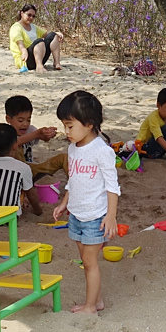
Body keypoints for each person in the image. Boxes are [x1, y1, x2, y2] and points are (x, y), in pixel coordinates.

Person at [51, 91, 120, 314]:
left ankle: (91, 306)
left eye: (70, 126)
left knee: (90, 262)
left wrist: (111, 216)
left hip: (95, 217)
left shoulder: (102, 151)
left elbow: (112, 187)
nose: (66, 132)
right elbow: (74, 180)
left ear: (89, 124)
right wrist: (64, 203)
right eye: (64, 126)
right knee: (84, 259)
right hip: (77, 215)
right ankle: (96, 301)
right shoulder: (73, 149)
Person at [0, 123, 41, 215]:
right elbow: (31, 194)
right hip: (10, 216)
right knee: (24, 185)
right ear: (15, 146)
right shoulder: (23, 168)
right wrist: (38, 211)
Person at [136, 87, 166, 163]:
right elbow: (158, 138)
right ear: (158, 105)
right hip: (146, 149)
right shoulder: (153, 117)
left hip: (162, 147)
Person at [8, 5, 63, 72]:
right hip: (26, 60)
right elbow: (20, 43)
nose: (31, 18)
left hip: (38, 56)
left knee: (53, 35)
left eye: (33, 16)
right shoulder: (16, 27)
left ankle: (57, 63)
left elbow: (47, 35)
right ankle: (39, 66)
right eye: (29, 15)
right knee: (39, 41)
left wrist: (56, 33)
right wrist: (24, 51)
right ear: (22, 13)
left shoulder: (33, 27)